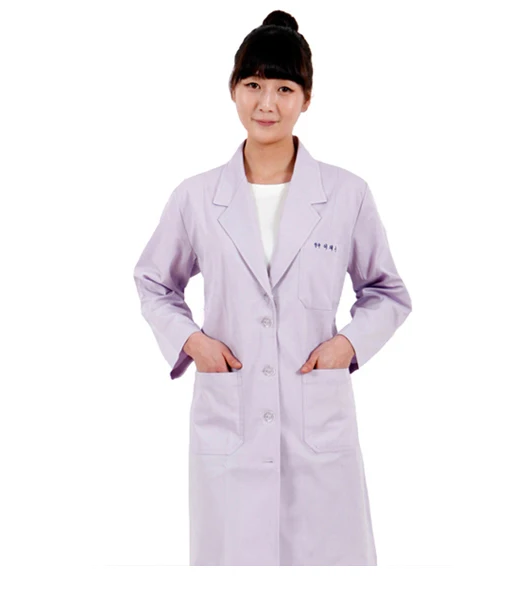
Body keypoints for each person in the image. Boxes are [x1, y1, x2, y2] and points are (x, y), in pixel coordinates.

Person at [133, 9, 412, 566]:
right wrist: (193, 342)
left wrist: (347, 345)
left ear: (306, 99)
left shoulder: (346, 194)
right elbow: (153, 281)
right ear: (233, 90)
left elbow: (387, 291)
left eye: (284, 88)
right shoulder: (196, 197)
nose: (267, 103)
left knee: (328, 574)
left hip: (317, 424)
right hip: (230, 421)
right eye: (254, 85)